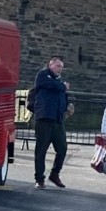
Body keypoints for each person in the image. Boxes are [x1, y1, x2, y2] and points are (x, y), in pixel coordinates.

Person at [33, 57, 70, 189]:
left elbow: (63, 95)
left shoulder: (59, 80)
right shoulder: (43, 75)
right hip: (44, 118)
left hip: (58, 119)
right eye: (58, 66)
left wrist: (66, 107)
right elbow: (50, 85)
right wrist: (63, 87)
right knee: (41, 150)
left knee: (62, 149)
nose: (60, 69)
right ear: (51, 65)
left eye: (62, 67)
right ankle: (39, 179)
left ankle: (54, 174)